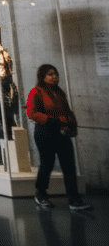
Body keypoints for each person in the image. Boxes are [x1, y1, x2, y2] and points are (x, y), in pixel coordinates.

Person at [26, 64, 91, 211]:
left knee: (69, 165)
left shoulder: (59, 92)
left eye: (55, 74)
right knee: (47, 164)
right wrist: (50, 120)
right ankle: (41, 193)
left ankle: (74, 199)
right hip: (45, 132)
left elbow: (67, 110)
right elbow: (32, 113)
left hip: (61, 132)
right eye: (50, 74)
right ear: (42, 76)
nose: (54, 76)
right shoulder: (36, 92)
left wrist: (72, 125)